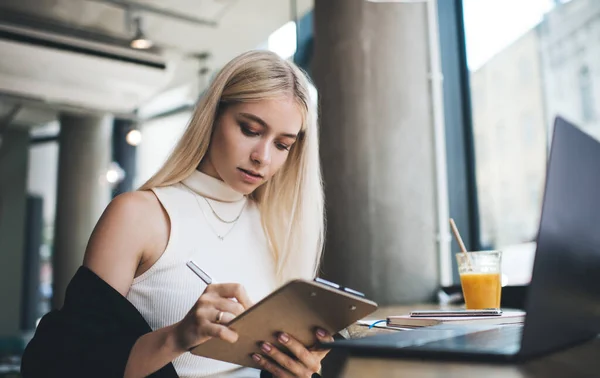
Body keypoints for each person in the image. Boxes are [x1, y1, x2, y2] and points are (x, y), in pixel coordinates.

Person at [21, 50, 332, 378]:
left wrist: (296, 369)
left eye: (282, 145)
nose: (263, 157)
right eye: (250, 129)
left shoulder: (277, 230)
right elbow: (70, 363)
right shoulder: (138, 216)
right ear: (212, 117)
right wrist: (179, 335)